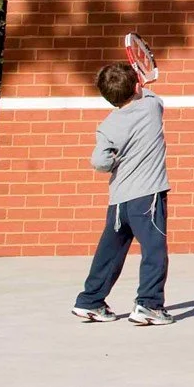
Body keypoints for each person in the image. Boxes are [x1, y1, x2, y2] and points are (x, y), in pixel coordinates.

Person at [71, 62, 173, 325]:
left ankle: (90, 301)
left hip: (119, 202)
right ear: (137, 86)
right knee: (154, 251)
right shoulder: (150, 107)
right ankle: (149, 304)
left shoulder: (108, 124)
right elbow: (153, 97)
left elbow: (100, 162)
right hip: (147, 198)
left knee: (110, 252)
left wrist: (114, 160)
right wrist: (143, 83)